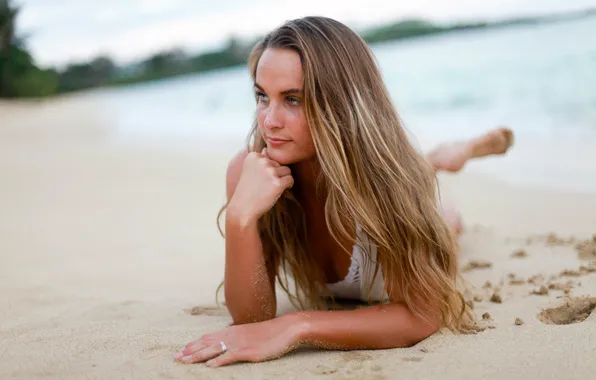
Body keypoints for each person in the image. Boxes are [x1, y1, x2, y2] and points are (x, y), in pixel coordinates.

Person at [174, 16, 514, 367]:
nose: (269, 120)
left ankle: (458, 152)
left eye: (293, 99)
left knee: (446, 216)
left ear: (341, 103)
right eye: (262, 96)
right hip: (380, 177)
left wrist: (297, 325)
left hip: (396, 187)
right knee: (420, 174)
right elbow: (252, 320)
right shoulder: (249, 172)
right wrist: (239, 219)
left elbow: (423, 315)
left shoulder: (388, 183)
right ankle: (440, 158)